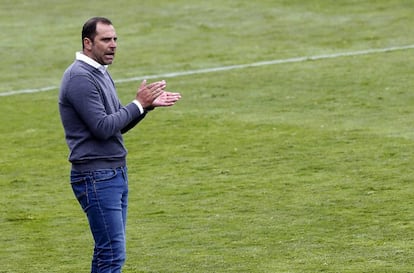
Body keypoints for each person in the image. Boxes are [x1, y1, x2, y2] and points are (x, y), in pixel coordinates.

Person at [58, 17, 181, 273]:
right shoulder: (80, 77)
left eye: (115, 39)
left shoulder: (99, 72)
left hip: (112, 173)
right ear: (87, 43)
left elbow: (116, 125)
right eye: (106, 40)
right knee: (112, 255)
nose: (113, 45)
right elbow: (102, 128)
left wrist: (144, 108)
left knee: (108, 252)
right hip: (96, 176)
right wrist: (137, 104)